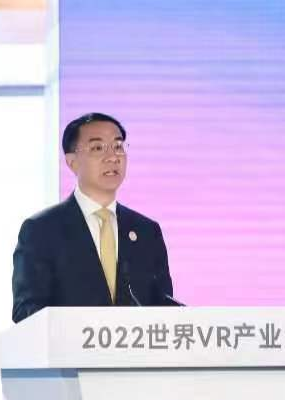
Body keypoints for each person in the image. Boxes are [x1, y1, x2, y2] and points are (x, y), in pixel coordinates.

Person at [11, 112, 174, 323]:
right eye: (98, 148)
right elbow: (26, 310)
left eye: (118, 146)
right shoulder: (42, 230)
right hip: (70, 345)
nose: (113, 157)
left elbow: (164, 308)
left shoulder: (146, 231)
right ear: (72, 162)